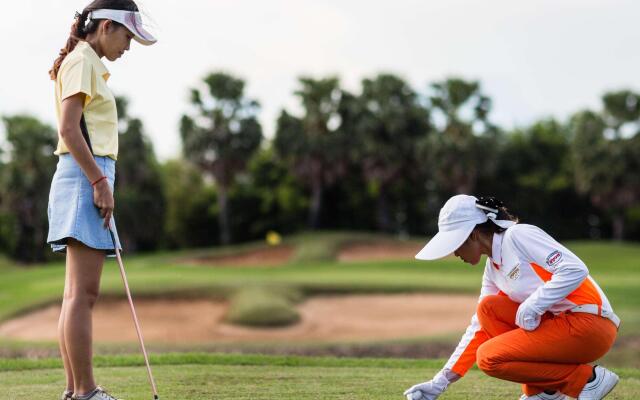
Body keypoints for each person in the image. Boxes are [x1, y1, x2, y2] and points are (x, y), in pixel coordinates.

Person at [404, 195, 620, 400]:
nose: (455, 253)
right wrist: (440, 382)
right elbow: (479, 327)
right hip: (561, 327)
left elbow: (575, 269)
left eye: (455, 244)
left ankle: (586, 381)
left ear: (473, 234)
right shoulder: (492, 269)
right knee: (488, 308)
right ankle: (546, 392)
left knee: (488, 358)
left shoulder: (519, 236)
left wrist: (534, 305)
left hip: (590, 325)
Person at [47, 1, 156, 399]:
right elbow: (69, 129)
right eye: (127, 36)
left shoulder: (86, 62)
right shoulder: (83, 62)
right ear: (107, 26)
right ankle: (87, 392)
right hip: (84, 177)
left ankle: (76, 392)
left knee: (75, 295)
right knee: (83, 295)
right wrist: (99, 181)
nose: (128, 46)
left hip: (83, 177)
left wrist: (99, 179)